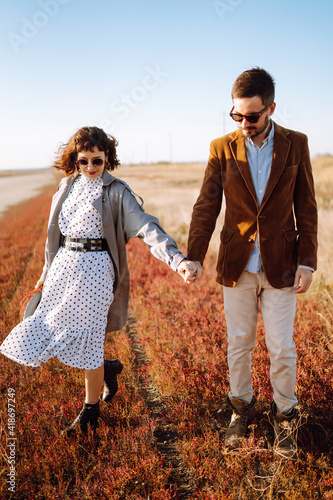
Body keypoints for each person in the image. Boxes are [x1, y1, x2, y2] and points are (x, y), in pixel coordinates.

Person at [0, 126, 196, 436]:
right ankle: (107, 368)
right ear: (74, 161)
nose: (91, 168)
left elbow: (146, 227)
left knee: (89, 338)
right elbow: (54, 240)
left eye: (97, 161)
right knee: (50, 330)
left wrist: (177, 260)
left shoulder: (116, 191)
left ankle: (90, 412)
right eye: (84, 161)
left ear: (108, 159)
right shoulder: (65, 187)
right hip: (63, 269)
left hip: (96, 272)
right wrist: (43, 276)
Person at [186, 68, 318, 457]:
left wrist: (307, 262)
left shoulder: (297, 144)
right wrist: (194, 255)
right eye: (236, 116)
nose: (244, 124)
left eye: (252, 116)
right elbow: (207, 205)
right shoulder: (221, 147)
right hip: (237, 265)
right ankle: (240, 408)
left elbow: (306, 206)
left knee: (282, 347)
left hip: (282, 266)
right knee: (239, 344)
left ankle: (285, 416)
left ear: (272, 108)